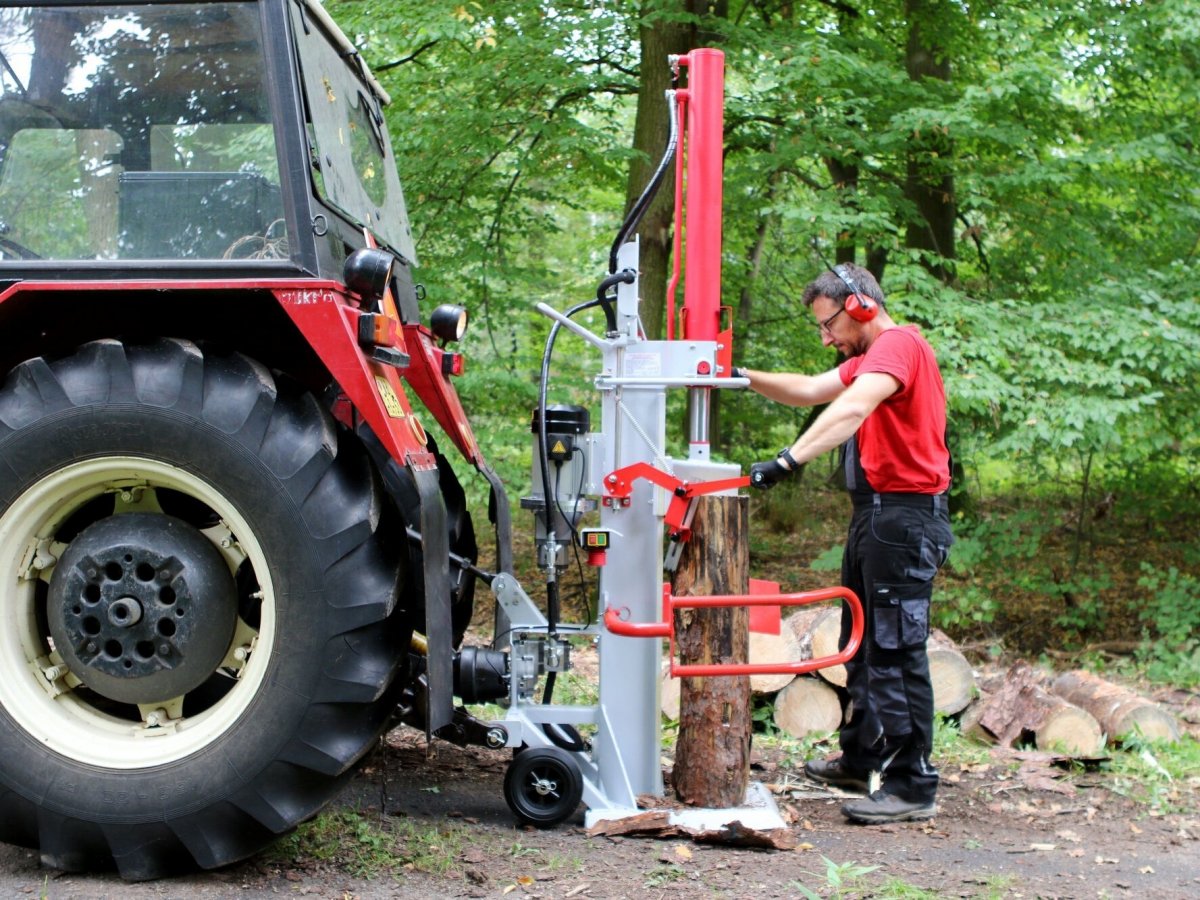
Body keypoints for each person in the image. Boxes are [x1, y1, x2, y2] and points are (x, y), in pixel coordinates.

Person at [740, 262, 953, 824]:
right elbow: (809, 390)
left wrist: (789, 460)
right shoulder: (869, 359)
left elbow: (853, 408)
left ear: (859, 305)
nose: (825, 336)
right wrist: (738, 375)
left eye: (828, 323)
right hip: (876, 518)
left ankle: (911, 785)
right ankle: (862, 759)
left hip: (904, 520)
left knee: (894, 651)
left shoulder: (898, 346)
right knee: (859, 643)